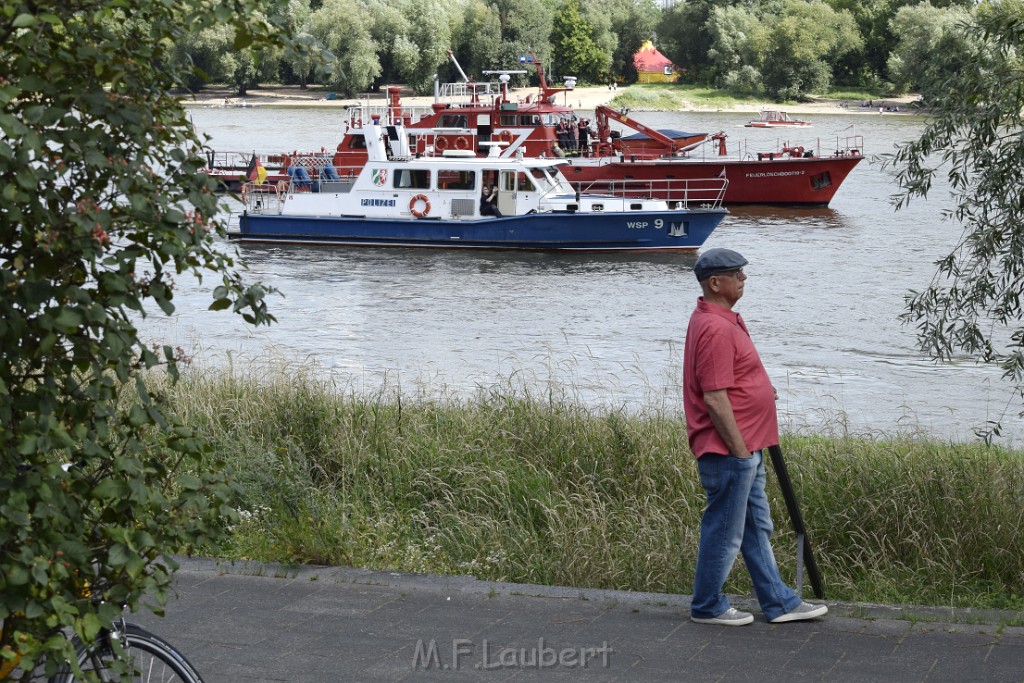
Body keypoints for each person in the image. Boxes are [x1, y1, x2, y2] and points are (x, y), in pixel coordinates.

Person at [683, 248, 828, 626]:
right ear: (716, 282)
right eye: (737, 273)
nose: (744, 278)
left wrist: (759, 388)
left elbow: (730, 381)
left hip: (745, 446)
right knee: (726, 533)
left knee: (754, 529)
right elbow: (714, 397)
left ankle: (779, 602)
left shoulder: (721, 319)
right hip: (731, 451)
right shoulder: (714, 327)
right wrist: (740, 452)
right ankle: (707, 606)